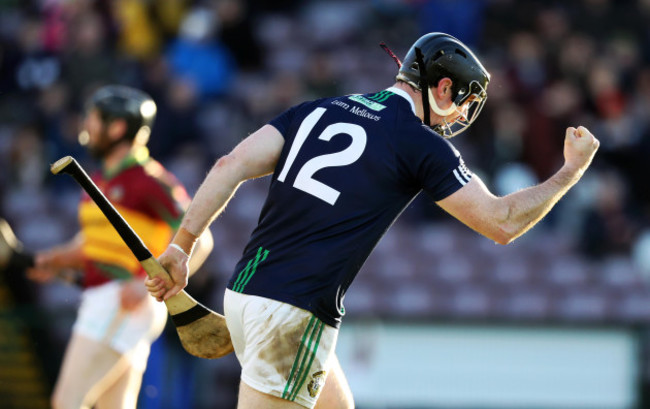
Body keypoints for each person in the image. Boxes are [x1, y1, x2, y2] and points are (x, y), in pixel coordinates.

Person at [146, 32, 600, 409]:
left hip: (244, 295)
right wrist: (570, 172)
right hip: (295, 309)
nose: (462, 114)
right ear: (441, 88)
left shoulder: (316, 109)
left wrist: (182, 246)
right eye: (463, 100)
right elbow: (501, 223)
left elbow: (228, 165)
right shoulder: (420, 142)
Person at [0, 85, 213, 409]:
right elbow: (90, 245)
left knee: (67, 402)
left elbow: (202, 240)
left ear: (116, 127)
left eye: (94, 119)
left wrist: (150, 285)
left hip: (122, 301)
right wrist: (52, 260)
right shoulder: (98, 180)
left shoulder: (150, 179)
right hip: (108, 300)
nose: (86, 125)